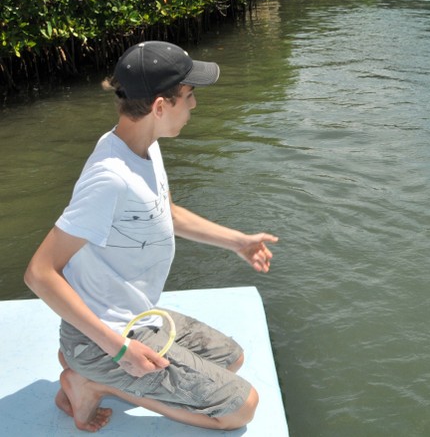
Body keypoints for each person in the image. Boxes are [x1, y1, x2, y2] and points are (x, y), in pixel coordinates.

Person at [24, 41, 278, 432]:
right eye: (189, 96)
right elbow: (39, 273)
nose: (194, 105)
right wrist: (120, 349)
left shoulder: (144, 146)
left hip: (134, 315)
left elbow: (166, 213)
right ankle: (90, 379)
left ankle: (82, 365)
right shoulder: (109, 177)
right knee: (239, 408)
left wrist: (237, 241)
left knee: (231, 358)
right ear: (160, 106)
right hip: (107, 336)